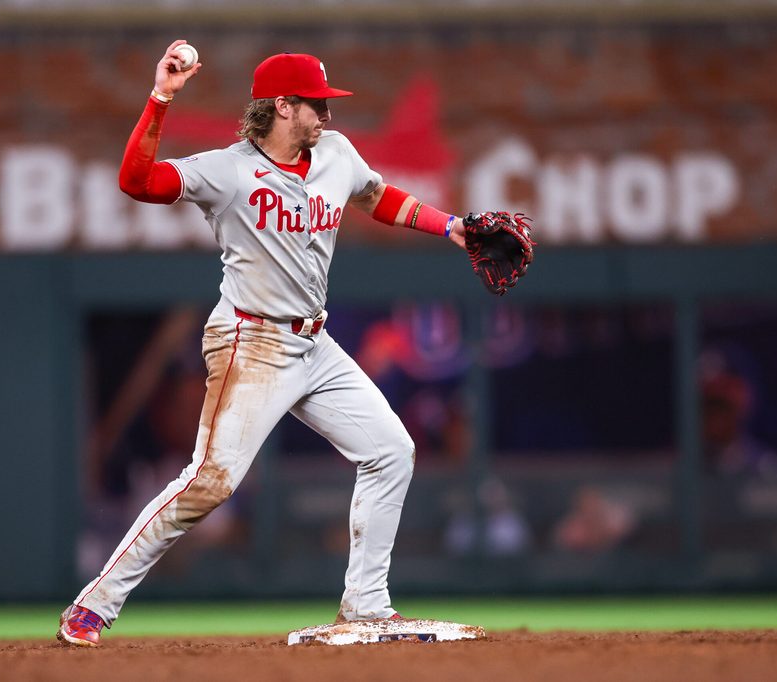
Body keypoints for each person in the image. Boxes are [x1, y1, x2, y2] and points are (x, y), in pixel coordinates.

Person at [57, 40, 472, 647]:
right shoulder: (227, 171)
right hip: (250, 342)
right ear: (282, 106)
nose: (326, 116)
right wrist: (161, 97)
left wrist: (452, 227)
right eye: (316, 105)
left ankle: (367, 605)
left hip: (316, 342)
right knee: (210, 483)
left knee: (390, 451)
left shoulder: (335, 154)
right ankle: (93, 606)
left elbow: (377, 196)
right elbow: (137, 181)